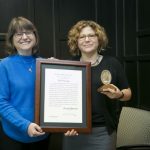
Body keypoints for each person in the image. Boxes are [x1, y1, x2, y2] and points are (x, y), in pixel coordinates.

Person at [63, 20, 132, 150]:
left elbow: (128, 94)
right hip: (74, 130)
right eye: (82, 37)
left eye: (91, 35)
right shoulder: (68, 66)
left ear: (99, 39)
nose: (87, 39)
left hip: (103, 133)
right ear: (76, 42)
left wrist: (119, 94)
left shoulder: (112, 63)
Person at [0, 16, 50, 150]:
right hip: (14, 137)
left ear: (35, 36)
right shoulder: (4, 65)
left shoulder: (46, 64)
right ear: (12, 39)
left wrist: (59, 68)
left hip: (43, 134)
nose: (24, 37)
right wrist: (25, 125)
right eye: (18, 34)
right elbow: (1, 102)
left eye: (28, 32)